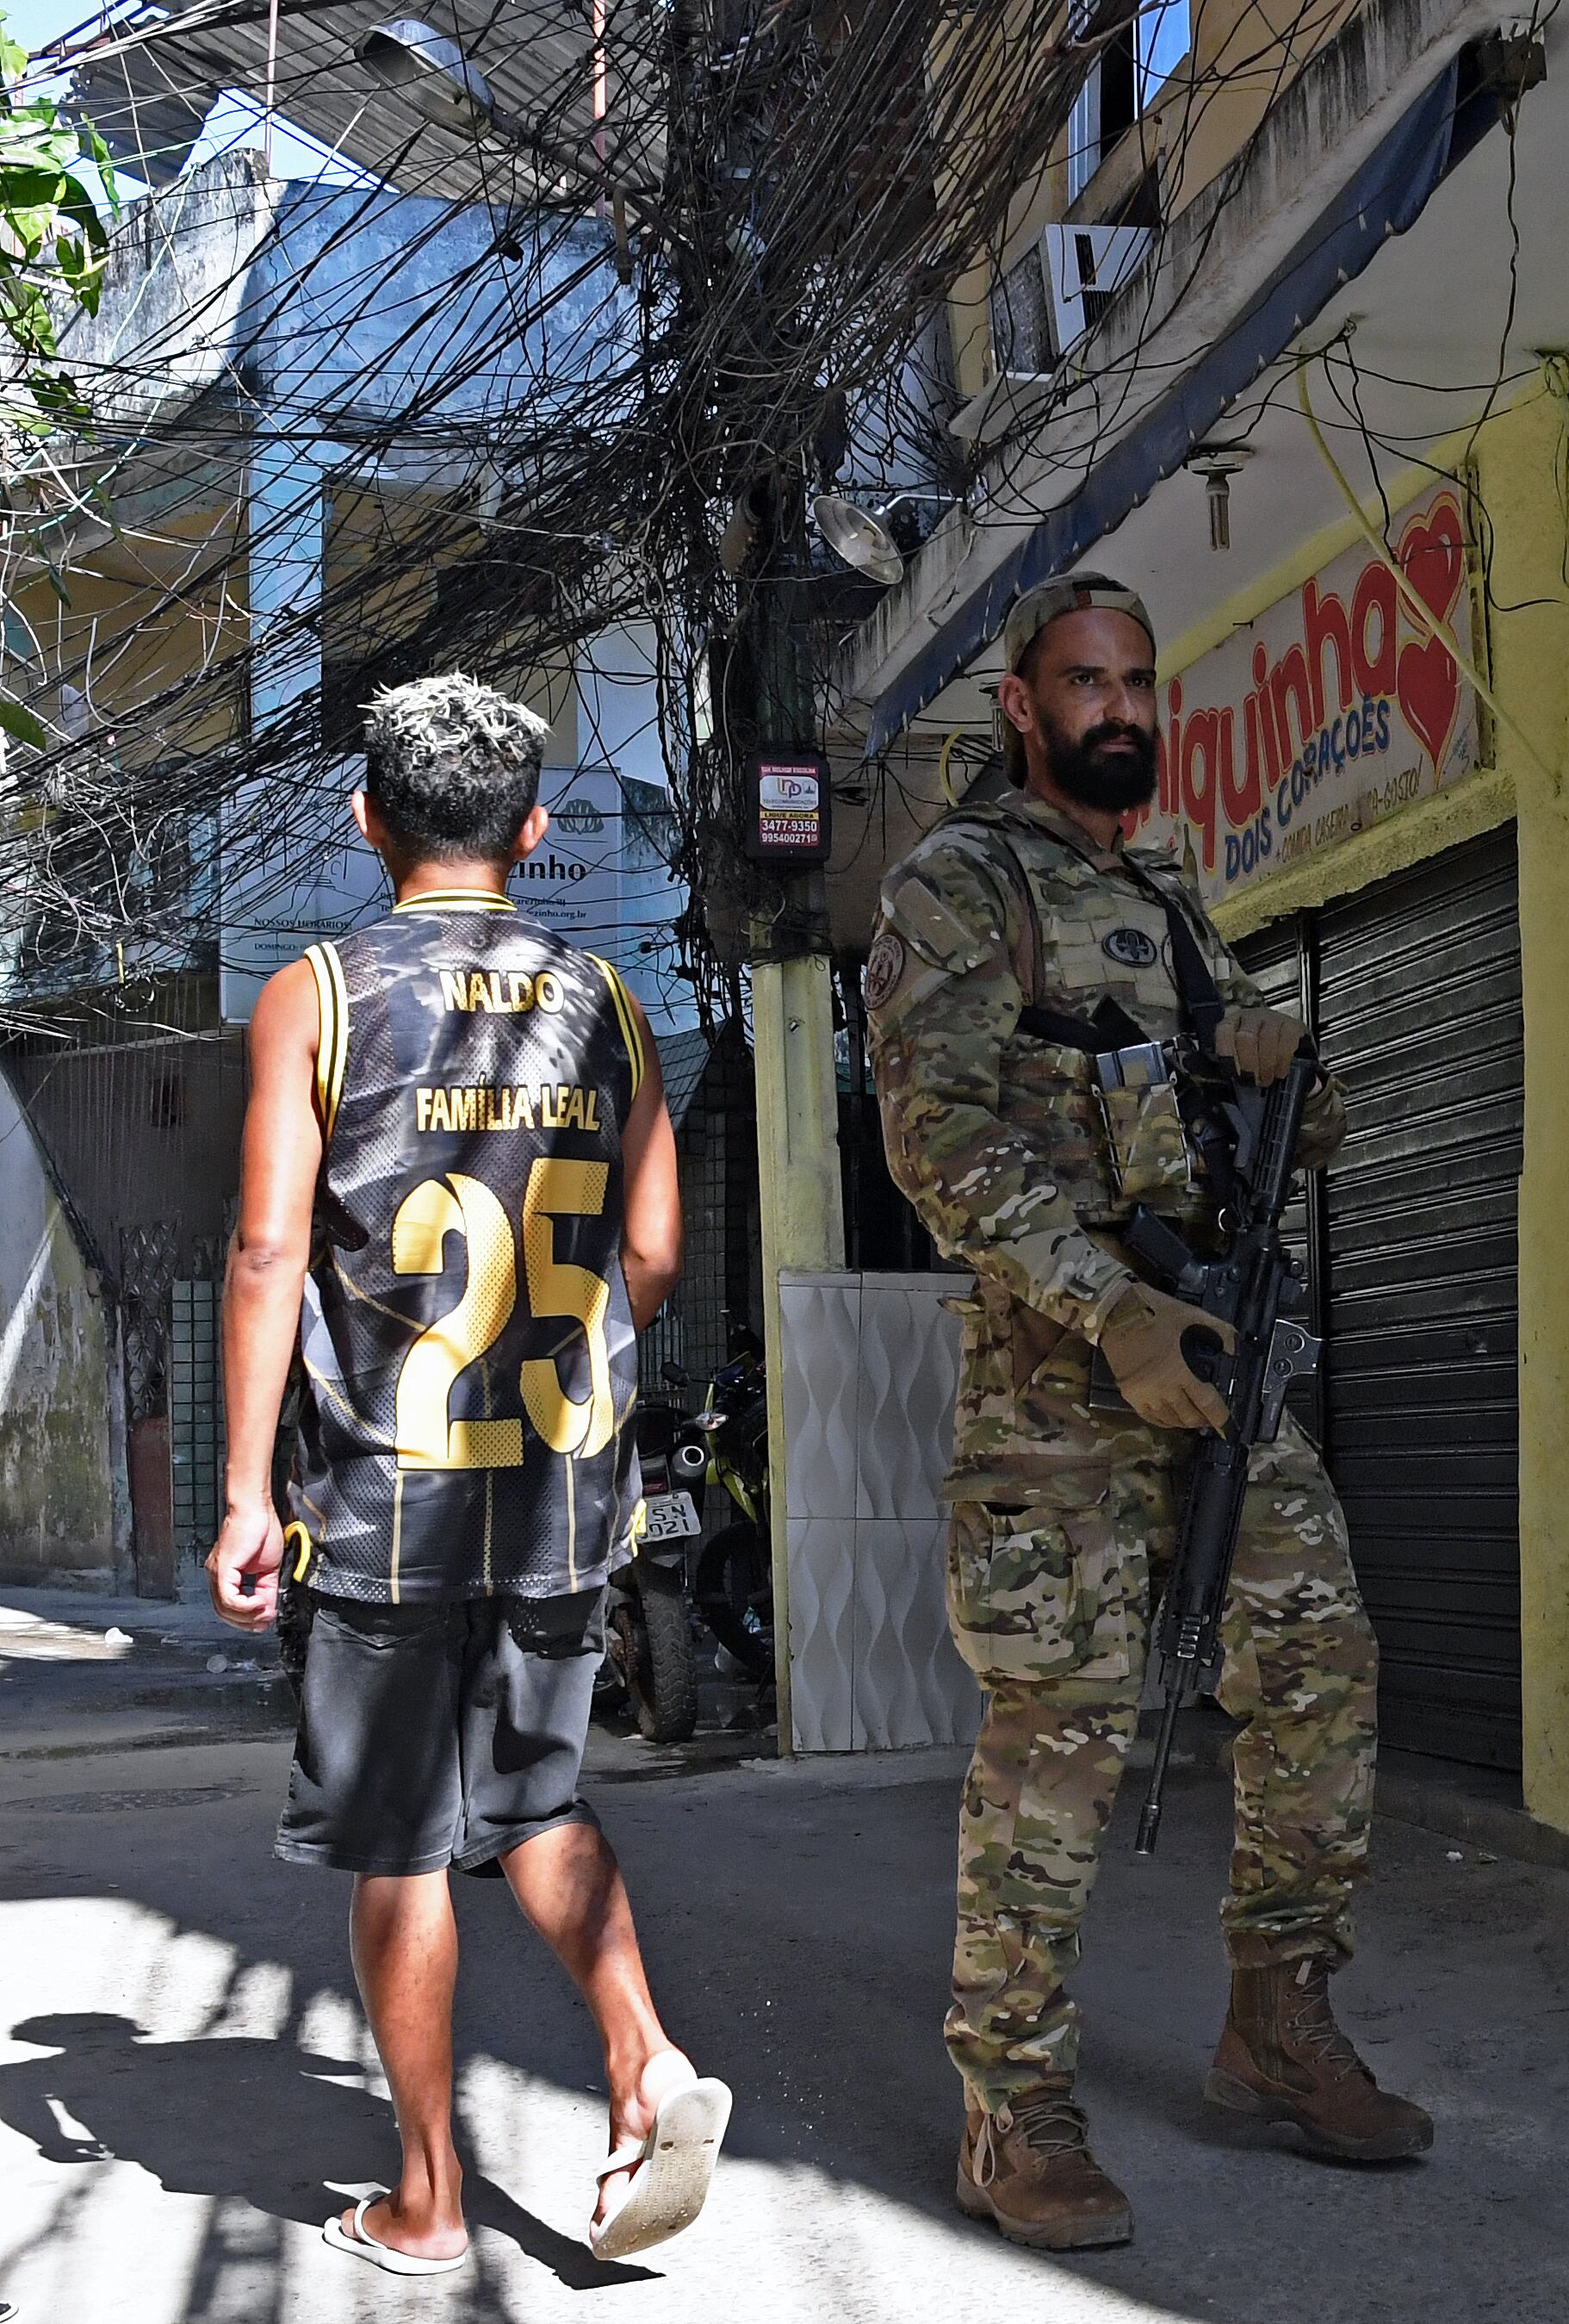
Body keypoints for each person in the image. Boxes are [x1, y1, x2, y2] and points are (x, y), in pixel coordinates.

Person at [865, 575, 1426, 2253]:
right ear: (1024, 706)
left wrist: (1275, 1062)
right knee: (1062, 1733)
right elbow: (935, 1139)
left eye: (1136, 677)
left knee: (1321, 1655)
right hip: (1063, 1380)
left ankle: (1278, 2016)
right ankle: (1012, 2102)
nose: (1116, 705)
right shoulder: (958, 886)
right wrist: (1103, 1302)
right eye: (1082, 681)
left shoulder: (1172, 895)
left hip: (1217, 1360)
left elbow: (1297, 1129)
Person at [206, 674, 727, 2274]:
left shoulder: (319, 994)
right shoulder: (610, 1000)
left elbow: (268, 1248)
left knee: (401, 1840)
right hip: (560, 1491)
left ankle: (428, 2201)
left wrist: (246, 1494)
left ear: (367, 820)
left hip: (383, 1500)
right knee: (539, 1800)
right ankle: (641, 2059)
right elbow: (650, 1256)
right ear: (535, 829)